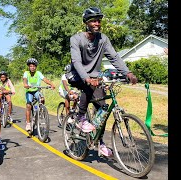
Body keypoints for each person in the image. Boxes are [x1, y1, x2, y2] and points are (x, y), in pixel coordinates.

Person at [69, 7, 138, 157]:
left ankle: (100, 144)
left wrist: (128, 73)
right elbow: (76, 61)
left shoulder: (103, 39)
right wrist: (87, 78)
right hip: (77, 75)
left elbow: (114, 57)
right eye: (93, 21)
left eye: (99, 21)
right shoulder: (76, 39)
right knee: (88, 87)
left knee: (104, 108)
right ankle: (80, 117)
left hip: (95, 77)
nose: (97, 23)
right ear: (86, 23)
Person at [23, 58, 56, 132]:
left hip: (36, 91)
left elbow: (44, 79)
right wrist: (25, 84)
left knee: (42, 99)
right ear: (29, 67)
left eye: (34, 66)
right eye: (31, 66)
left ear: (36, 67)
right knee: (28, 105)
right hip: (29, 92)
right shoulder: (26, 73)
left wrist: (51, 84)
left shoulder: (38, 73)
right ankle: (28, 123)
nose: (32, 67)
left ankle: (41, 111)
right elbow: (24, 79)